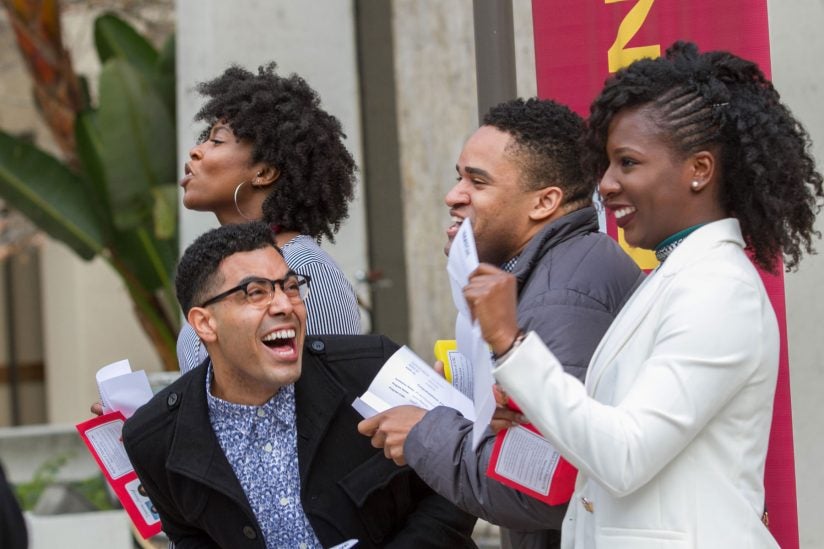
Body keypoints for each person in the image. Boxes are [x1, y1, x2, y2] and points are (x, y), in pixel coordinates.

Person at [463, 41, 824, 548]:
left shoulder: (718, 290)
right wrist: (532, 410)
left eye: (627, 163)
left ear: (699, 169)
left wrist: (511, 344)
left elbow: (625, 456)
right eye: (607, 164)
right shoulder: (677, 275)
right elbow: (622, 434)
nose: (605, 184)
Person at [359, 98, 643, 548]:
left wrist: (424, 431)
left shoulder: (563, 294)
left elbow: (534, 485)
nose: (454, 195)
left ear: (544, 201)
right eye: (459, 176)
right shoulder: (556, 271)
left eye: (477, 181)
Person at [122, 222, 477, 548]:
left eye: (290, 287)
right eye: (255, 292)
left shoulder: (375, 367)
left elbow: (460, 476)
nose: (284, 305)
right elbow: (189, 539)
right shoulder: (154, 439)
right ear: (205, 323)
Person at [177, 62, 361, 373]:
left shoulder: (305, 270)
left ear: (263, 172)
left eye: (216, 140)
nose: (196, 151)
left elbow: (335, 395)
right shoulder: (212, 273)